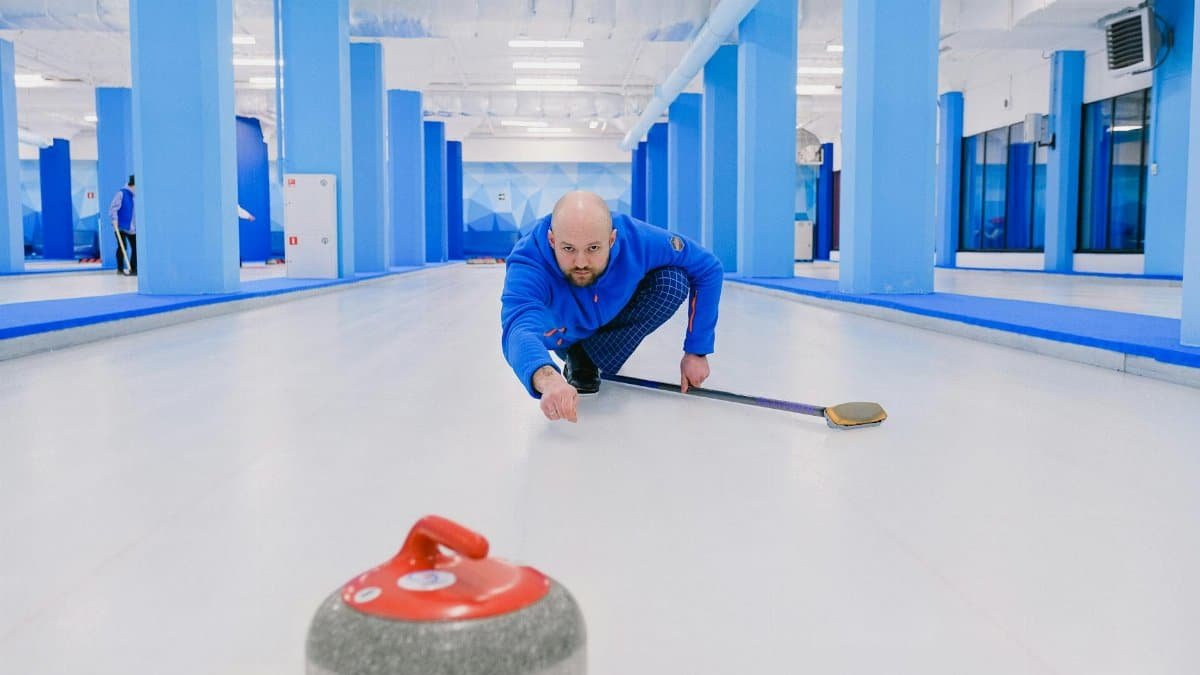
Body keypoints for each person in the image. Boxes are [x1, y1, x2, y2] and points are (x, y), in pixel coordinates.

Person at [501, 190, 723, 423]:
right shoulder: (529, 261)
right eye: (568, 249)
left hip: (609, 318)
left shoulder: (637, 239)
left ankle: (591, 355)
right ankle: (577, 355)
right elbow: (518, 328)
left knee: (672, 281)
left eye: (593, 248)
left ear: (612, 239)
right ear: (552, 240)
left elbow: (708, 268)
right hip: (564, 334)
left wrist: (697, 350)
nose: (581, 262)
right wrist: (548, 379)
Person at [108, 174, 136, 275]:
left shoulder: (135, 196)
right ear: (133, 185)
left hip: (131, 227)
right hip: (120, 226)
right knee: (122, 246)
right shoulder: (121, 193)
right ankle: (120, 269)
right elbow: (113, 208)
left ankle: (134, 269)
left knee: (135, 247)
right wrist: (114, 219)